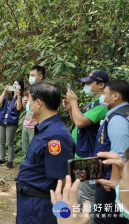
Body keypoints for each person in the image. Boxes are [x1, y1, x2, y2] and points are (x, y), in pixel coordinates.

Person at [16, 81, 74, 224]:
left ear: (39, 103)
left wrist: (63, 217)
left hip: (40, 207)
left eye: (29, 101)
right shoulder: (45, 129)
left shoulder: (55, 137)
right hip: (30, 201)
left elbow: (62, 181)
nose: (27, 104)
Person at [63, 70, 109, 222]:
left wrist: (74, 102)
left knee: (86, 198)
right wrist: (71, 108)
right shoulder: (93, 102)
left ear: (101, 85)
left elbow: (81, 122)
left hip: (89, 156)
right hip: (81, 153)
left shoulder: (102, 104)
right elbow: (77, 121)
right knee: (79, 193)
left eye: (90, 83)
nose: (86, 86)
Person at [93, 80, 129, 224]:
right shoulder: (124, 113)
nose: (102, 97)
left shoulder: (118, 119)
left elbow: (119, 153)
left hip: (110, 186)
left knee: (106, 220)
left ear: (115, 96)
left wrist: (113, 181)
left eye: (105, 94)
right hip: (119, 183)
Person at [0, 78, 24, 169]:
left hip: (12, 121)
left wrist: (18, 96)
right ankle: (2, 158)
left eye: (17, 84)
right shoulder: (7, 96)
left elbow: (19, 108)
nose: (15, 86)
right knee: (1, 140)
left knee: (10, 142)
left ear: (20, 87)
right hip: (2, 119)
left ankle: (10, 161)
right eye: (14, 84)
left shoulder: (21, 98)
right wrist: (5, 90)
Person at [21, 65, 45, 154]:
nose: (30, 77)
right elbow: (29, 109)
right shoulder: (31, 89)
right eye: (29, 75)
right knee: (25, 151)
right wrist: (25, 104)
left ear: (40, 76)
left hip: (35, 126)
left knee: (34, 152)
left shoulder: (44, 90)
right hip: (26, 124)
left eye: (32, 75)